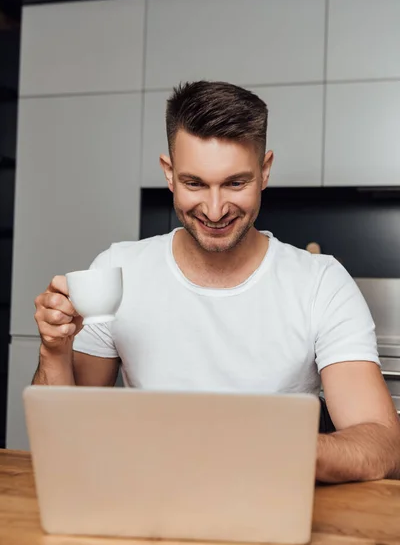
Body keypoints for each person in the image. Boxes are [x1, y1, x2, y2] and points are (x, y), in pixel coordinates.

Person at [33, 80, 400, 484]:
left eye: (235, 183)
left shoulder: (321, 283)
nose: (214, 209)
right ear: (169, 174)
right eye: (195, 183)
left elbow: (382, 443)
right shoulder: (118, 269)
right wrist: (54, 348)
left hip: (271, 502)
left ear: (265, 172)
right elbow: (66, 438)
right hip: (150, 502)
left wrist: (280, 450)